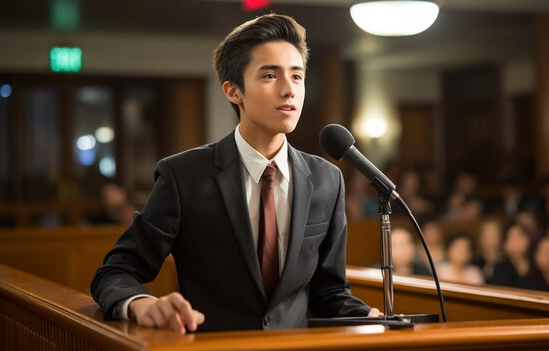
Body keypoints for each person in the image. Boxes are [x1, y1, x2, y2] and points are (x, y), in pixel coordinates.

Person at [91, 14, 379, 334]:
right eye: (270, 75)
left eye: (297, 77)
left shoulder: (327, 179)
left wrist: (366, 316)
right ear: (233, 91)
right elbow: (114, 272)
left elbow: (329, 291)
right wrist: (143, 305)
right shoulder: (182, 176)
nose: (289, 90)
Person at [488, 223, 532, 288]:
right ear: (504, 244)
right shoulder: (501, 268)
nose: (517, 242)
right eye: (512, 238)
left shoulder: (536, 265)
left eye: (520, 236)